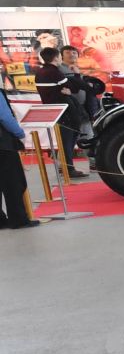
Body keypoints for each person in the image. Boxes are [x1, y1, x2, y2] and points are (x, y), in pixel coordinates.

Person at [32, 47, 89, 178]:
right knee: (67, 141)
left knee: (65, 140)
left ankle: (66, 168)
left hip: (55, 110)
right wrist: (76, 76)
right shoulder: (54, 72)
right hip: (65, 111)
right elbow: (74, 87)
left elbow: (68, 88)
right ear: (57, 57)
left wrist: (68, 88)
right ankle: (68, 169)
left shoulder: (40, 72)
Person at [0, 99, 36, 228]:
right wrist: (19, 133)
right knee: (13, 183)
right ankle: (18, 219)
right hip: (3, 145)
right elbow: (4, 116)